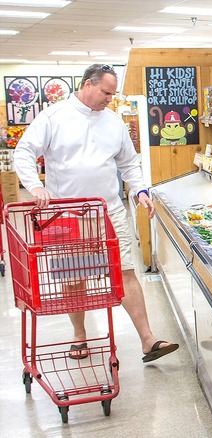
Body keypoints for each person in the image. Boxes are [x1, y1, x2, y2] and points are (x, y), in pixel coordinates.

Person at [14, 64, 178, 363]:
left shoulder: (113, 122)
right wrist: (35, 187)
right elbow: (24, 152)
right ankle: (79, 336)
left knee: (125, 272)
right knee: (74, 277)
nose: (109, 100)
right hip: (67, 213)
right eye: (105, 92)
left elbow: (128, 162)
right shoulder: (53, 117)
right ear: (87, 85)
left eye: (112, 94)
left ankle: (148, 340)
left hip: (109, 211)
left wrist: (140, 190)